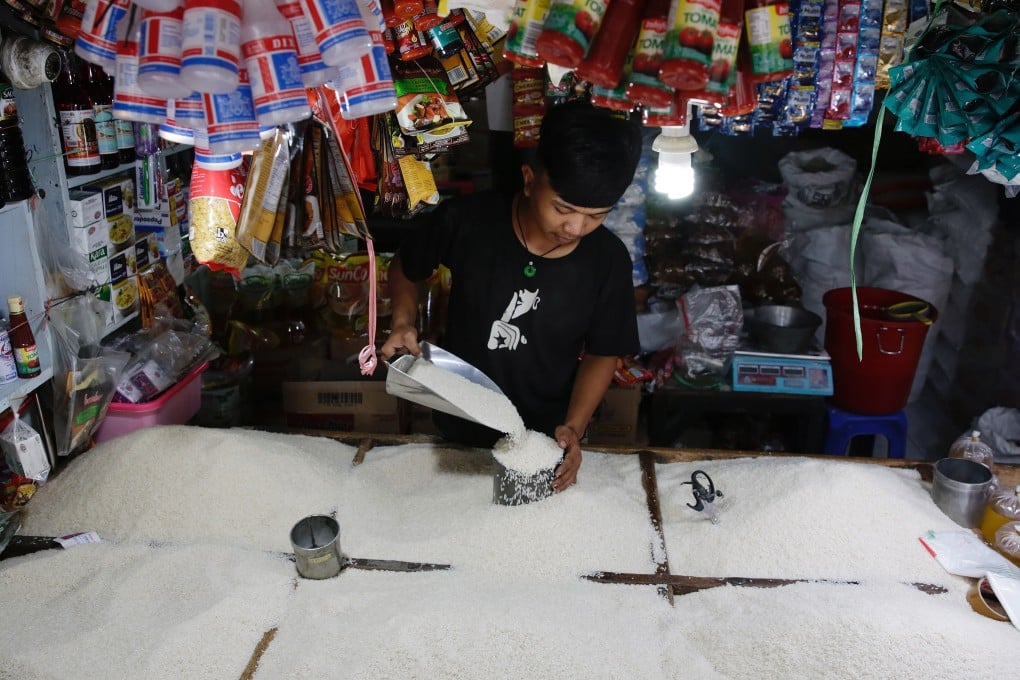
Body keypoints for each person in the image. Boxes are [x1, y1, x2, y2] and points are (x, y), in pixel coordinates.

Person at [380, 100, 643, 492]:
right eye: (563, 208)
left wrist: (574, 427)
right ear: (529, 179)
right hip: (458, 427)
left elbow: (604, 352)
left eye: (597, 216)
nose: (576, 227)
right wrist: (403, 321)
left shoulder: (607, 260)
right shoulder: (469, 222)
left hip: (543, 440)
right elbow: (406, 267)